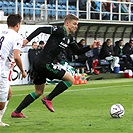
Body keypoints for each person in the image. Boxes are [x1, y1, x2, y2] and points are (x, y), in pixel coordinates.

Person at [11, 14, 100, 118]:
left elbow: (78, 51)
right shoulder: (60, 31)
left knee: (38, 92)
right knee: (70, 80)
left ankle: (17, 112)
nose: (76, 26)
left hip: (39, 63)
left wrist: (91, 46)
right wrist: (27, 40)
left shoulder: (69, 38)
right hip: (44, 64)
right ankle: (48, 98)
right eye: (74, 24)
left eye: (77, 24)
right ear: (67, 23)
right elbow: (40, 29)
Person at [0, 14, 27, 126]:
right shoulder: (17, 36)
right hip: (1, 71)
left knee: (9, 93)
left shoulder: (2, 33)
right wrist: (22, 71)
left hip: (3, 70)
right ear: (18, 24)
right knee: (1, 103)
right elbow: (17, 57)